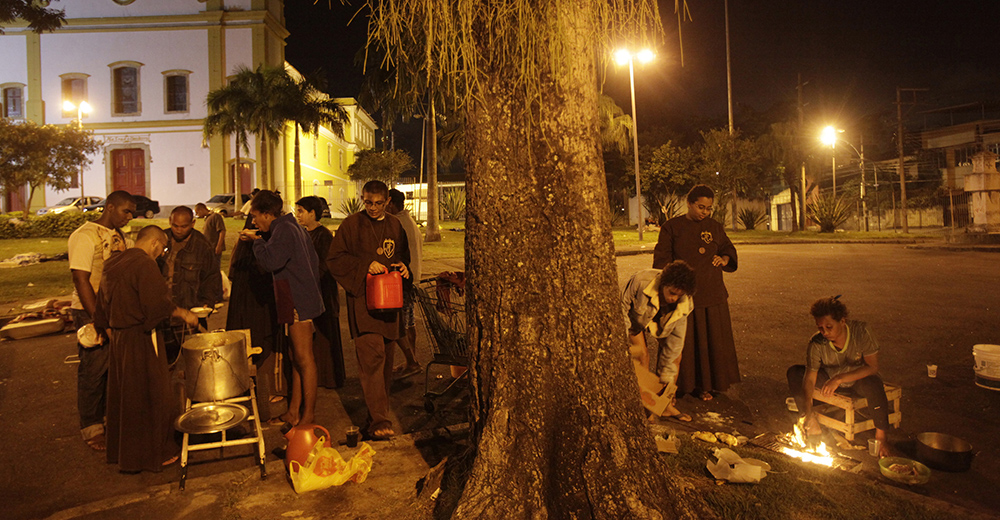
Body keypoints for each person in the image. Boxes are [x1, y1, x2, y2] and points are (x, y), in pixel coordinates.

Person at [94, 225, 199, 472]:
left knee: (127, 396)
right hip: (140, 336)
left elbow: (102, 303)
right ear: (154, 243)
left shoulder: (114, 262)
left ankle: (127, 454)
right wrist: (183, 313)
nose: (161, 253)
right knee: (154, 394)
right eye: (162, 248)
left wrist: (105, 328)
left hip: (119, 339)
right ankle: (155, 453)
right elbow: (156, 305)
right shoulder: (144, 264)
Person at [326, 180, 411, 439]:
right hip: (364, 305)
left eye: (378, 203)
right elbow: (335, 259)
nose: (372, 208)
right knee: (371, 360)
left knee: (385, 364)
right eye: (368, 202)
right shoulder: (352, 224)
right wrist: (365, 265)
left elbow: (403, 257)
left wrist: (404, 269)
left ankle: (375, 416)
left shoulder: (395, 225)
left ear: (387, 202)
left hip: (390, 304)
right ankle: (379, 422)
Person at [239, 190, 323, 426]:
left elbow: (270, 262)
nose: (254, 221)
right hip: (292, 297)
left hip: (297, 300)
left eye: (256, 216)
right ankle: (294, 411)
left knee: (304, 359)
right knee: (294, 357)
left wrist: (256, 242)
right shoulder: (290, 226)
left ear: (268, 214)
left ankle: (308, 416)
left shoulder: (285, 229)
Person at [652, 184, 739, 401]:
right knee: (682, 344)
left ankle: (706, 386)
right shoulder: (672, 227)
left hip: (712, 293)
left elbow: (728, 249)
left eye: (708, 208)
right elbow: (661, 261)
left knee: (710, 342)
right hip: (684, 295)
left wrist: (725, 259)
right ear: (689, 203)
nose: (704, 212)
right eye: (701, 207)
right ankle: (676, 386)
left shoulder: (715, 227)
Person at [67, 190, 136, 452]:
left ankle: (109, 419)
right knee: (93, 368)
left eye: (132, 212)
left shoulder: (120, 237)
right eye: (125, 211)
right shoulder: (85, 236)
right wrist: (98, 317)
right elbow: (80, 279)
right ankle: (91, 426)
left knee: (113, 367)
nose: (129, 216)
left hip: (114, 310)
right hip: (89, 311)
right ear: (109, 207)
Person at [787, 296, 891, 458]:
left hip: (857, 381)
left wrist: (839, 379)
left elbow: (872, 366)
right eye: (820, 328)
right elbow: (809, 378)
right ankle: (811, 423)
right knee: (795, 373)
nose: (825, 332)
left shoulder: (861, 332)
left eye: (829, 326)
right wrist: (808, 413)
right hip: (828, 380)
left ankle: (881, 438)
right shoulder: (817, 343)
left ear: (843, 321)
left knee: (874, 383)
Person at [621, 260, 697, 421]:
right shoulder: (641, 281)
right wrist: (622, 337)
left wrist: (666, 383)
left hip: (662, 323)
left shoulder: (684, 304)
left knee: (675, 358)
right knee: (642, 355)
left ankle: (665, 405)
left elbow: (674, 345)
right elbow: (621, 306)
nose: (674, 298)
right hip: (635, 320)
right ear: (664, 283)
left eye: (679, 295)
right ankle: (641, 402)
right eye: (671, 293)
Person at [226, 215, 281, 422]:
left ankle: (255, 391)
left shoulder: (261, 243)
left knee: (257, 344)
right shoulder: (251, 246)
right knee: (252, 343)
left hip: (254, 301)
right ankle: (245, 391)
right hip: (251, 302)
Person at [295, 196, 345, 388]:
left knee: (326, 335)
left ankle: (330, 378)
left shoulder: (323, 235)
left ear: (312, 213)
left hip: (323, 292)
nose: (298, 215)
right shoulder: (301, 233)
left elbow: (324, 265)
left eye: (301, 211)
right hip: (308, 293)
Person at [387, 188, 422, 378]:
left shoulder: (397, 223)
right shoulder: (409, 221)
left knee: (399, 323)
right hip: (413, 278)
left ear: (390, 202)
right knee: (408, 322)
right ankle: (412, 359)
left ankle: (412, 360)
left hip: (404, 280)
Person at [160, 206, 223, 311]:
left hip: (191, 309)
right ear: (170, 221)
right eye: (175, 226)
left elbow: (211, 277)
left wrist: (207, 302)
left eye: (184, 227)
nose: (179, 230)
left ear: (192, 223)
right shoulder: (161, 239)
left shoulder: (202, 245)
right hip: (162, 308)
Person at [195, 202, 226, 274]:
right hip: (209, 248)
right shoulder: (207, 219)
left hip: (215, 247)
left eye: (197, 212)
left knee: (215, 268)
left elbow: (222, 231)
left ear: (201, 210)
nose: (197, 215)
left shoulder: (215, 216)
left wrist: (219, 246)